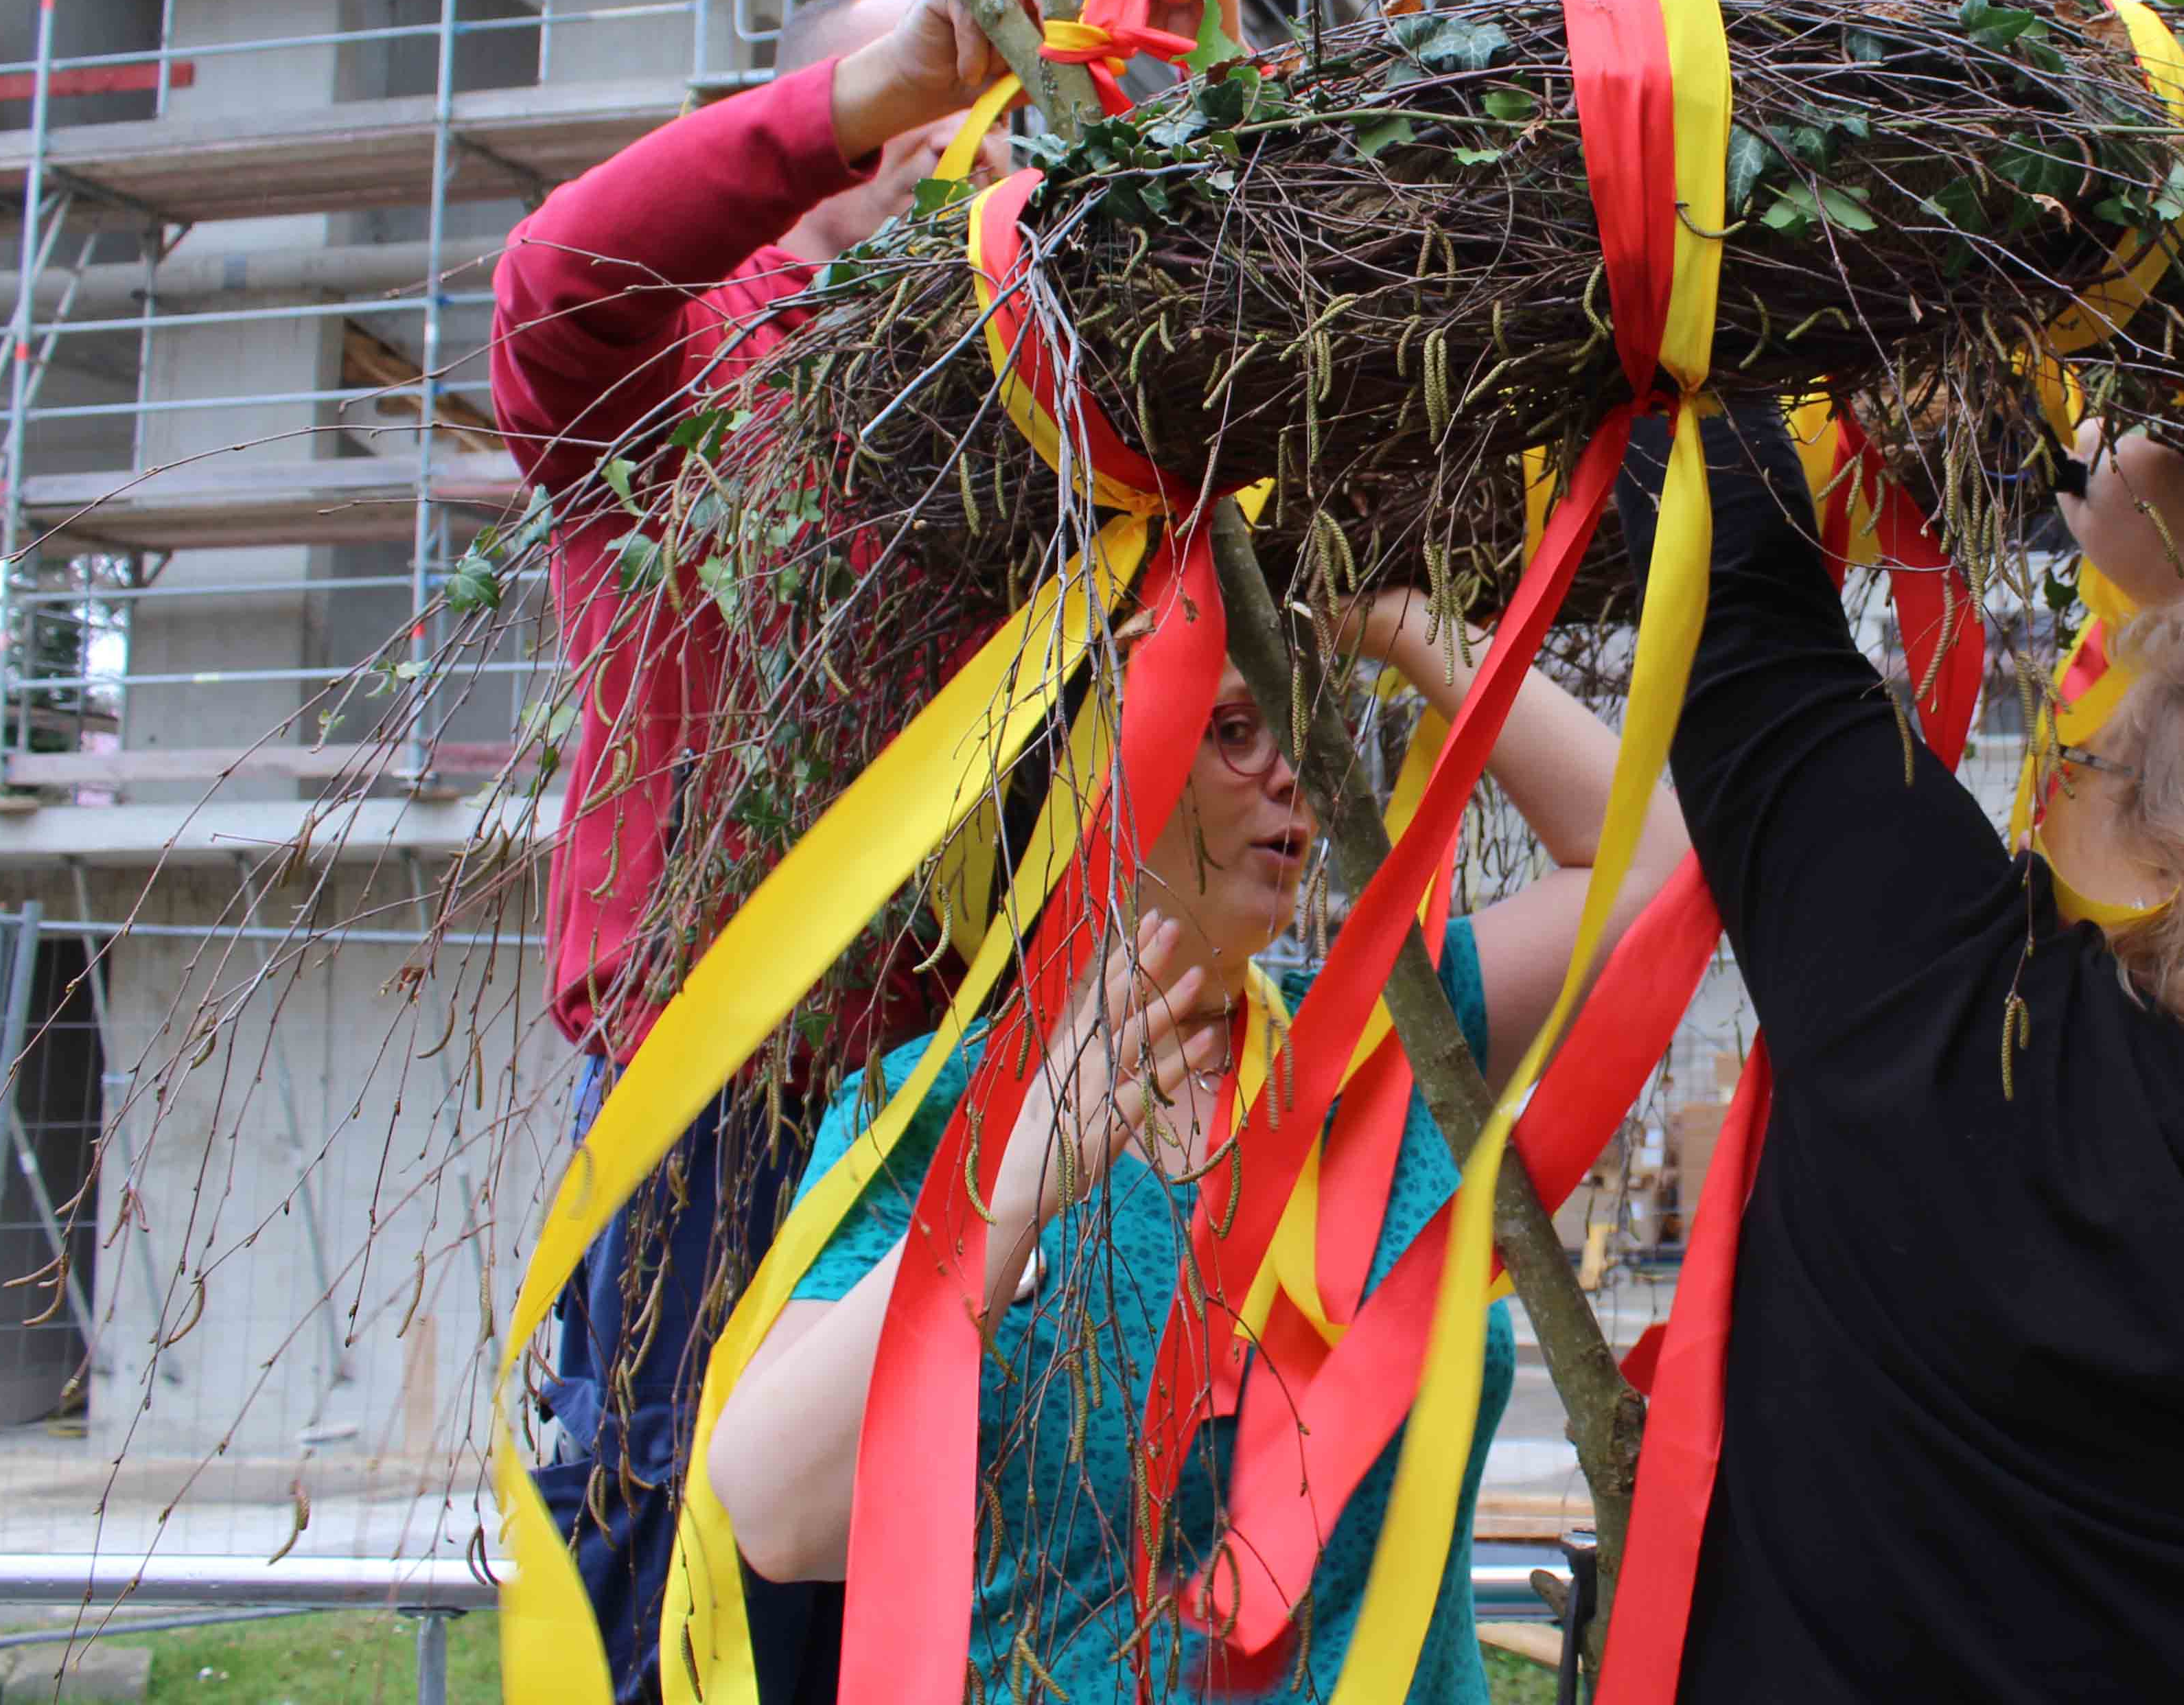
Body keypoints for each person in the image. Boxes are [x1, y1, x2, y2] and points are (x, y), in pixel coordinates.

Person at [487, 0, 1238, 1705]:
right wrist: (862, 94)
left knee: (931, 1581)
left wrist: (1183, 84)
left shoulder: (1022, 390)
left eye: (987, 85)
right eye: (923, 83)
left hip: (966, 1099)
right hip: (715, 1102)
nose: (958, 117)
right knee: (684, 1585)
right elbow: (546, 284)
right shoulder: (684, 363)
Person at [1614, 402, 2184, 1703]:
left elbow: (1723, 560)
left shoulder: (1969, 1050)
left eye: (2097, 760)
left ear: (2180, 856)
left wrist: (2181, 578)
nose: (2063, 785)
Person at [714, 590, 1691, 1704]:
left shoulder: (1391, 1035)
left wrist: (1396, 621)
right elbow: (773, 1515)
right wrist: (1012, 1195)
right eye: (1234, 730)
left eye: (1305, 725)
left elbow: (1655, 874)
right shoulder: (937, 1119)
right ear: (1102, 769)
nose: (1294, 775)